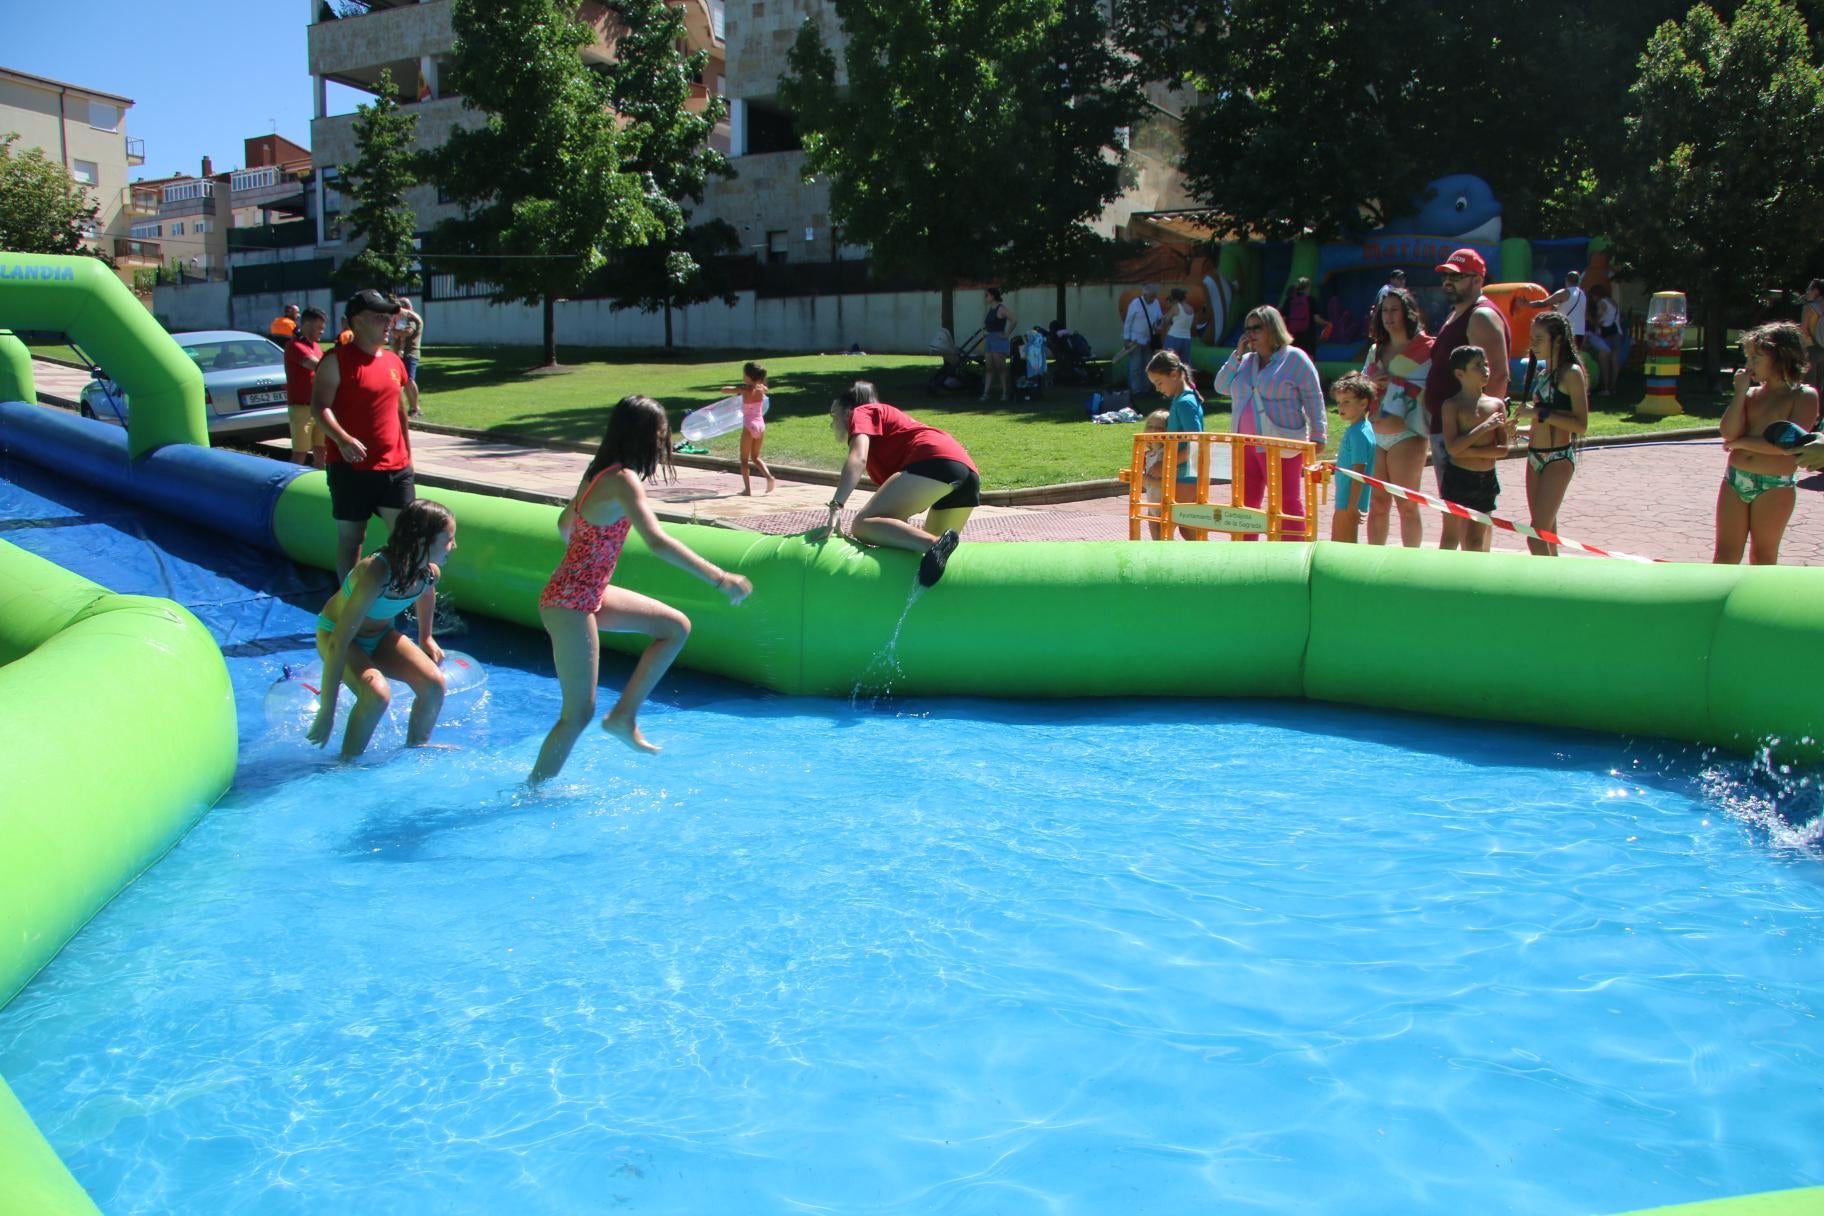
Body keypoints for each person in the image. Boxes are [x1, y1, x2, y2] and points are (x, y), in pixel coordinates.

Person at [527, 396, 752, 782]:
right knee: (578, 713)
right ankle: (533, 791)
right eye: (662, 433)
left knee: (674, 627)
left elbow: (565, 524)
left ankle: (624, 716)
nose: (665, 441)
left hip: (583, 592)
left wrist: (588, 561)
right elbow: (657, 541)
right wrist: (719, 577)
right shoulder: (623, 480)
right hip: (570, 601)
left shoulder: (597, 474)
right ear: (645, 435)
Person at [308, 498, 455, 760]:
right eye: (449, 539)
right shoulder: (376, 572)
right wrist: (327, 711)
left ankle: (416, 748)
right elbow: (338, 642)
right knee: (376, 694)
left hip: (379, 635)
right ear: (422, 542)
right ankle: (347, 763)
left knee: (433, 685)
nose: (454, 546)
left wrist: (426, 637)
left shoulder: (428, 572)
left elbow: (425, 594)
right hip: (337, 636)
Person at [820, 382, 980, 586]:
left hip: (937, 460)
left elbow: (857, 458)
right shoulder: (888, 442)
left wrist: (836, 506)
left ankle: (934, 543)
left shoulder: (862, 412)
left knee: (861, 524)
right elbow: (896, 521)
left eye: (834, 415)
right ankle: (936, 547)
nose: (832, 424)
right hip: (967, 474)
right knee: (926, 562)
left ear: (847, 411)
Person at [312, 289, 416, 583]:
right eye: (379, 318)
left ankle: (399, 598)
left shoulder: (394, 362)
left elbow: (399, 411)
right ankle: (349, 601)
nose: (387, 324)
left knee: (407, 537)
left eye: (388, 318)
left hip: (395, 467)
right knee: (352, 539)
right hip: (350, 469)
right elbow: (319, 407)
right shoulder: (336, 360)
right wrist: (342, 439)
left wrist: (408, 456)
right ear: (357, 321)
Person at [1212, 305, 1326, 541]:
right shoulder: (1245, 361)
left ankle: (1293, 554)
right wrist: (1236, 355)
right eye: (1247, 328)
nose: (1250, 333)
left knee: (1286, 501)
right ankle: (1247, 554)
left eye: (1257, 328)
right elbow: (1220, 386)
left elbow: (1313, 397)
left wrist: (1318, 435)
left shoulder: (1294, 358)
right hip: (1245, 445)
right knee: (1246, 502)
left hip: (1281, 443)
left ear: (1272, 328)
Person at [1423, 248, 1510, 550]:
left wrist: (1483, 431)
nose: (1448, 282)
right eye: (1446, 276)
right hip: (1449, 429)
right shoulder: (1458, 312)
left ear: (1477, 279)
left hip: (1465, 435)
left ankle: (1470, 583)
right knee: (1455, 518)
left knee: (1471, 522)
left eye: (1456, 277)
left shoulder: (1482, 316)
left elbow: (1497, 375)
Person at [1713, 321, 1819, 565]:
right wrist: (1739, 393)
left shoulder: (1803, 396)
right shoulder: (1751, 395)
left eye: (1756, 358)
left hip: (1775, 486)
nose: (1749, 366)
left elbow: (1787, 446)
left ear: (1781, 357)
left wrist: (1741, 443)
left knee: (1763, 556)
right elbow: (1728, 433)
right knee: (1725, 555)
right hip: (1735, 480)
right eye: (1748, 358)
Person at [1362, 287, 1434, 547]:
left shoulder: (1426, 348)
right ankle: (1376, 563)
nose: (1389, 316)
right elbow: (1359, 386)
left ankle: (1410, 565)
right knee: (1378, 504)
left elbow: (1434, 390)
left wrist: (1399, 383)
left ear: (1408, 313)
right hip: (1376, 431)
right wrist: (1369, 382)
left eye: (1395, 310)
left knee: (1406, 504)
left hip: (1409, 433)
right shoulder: (1376, 350)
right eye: (1384, 311)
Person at [1518, 311, 1589, 557]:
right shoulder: (1542, 374)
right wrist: (1515, 430)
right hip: (1534, 457)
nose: (1533, 344)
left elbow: (1580, 424)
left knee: (1535, 538)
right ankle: (1553, 581)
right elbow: (1540, 423)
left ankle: (1543, 588)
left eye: (1539, 339)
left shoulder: (1571, 373)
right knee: (1547, 535)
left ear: (1557, 340)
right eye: (1532, 338)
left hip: (1557, 458)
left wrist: (1539, 412)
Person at [1439, 345, 1510, 553]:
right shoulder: (1452, 405)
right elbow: (1453, 448)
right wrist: (1484, 428)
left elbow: (1503, 449)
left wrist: (1468, 451)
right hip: (1459, 478)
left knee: (1475, 541)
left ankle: (1475, 580)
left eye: (1486, 364)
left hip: (1485, 479)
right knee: (1450, 537)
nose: (1485, 370)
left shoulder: (1496, 405)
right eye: (1478, 366)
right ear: (1460, 374)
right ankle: (1442, 580)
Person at [1146, 349, 1206, 540]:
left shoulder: (1184, 403)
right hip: (1185, 472)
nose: (1158, 388)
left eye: (1159, 383)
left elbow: (1195, 442)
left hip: (1186, 475)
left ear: (1173, 374)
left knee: (1169, 522)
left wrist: (1165, 465)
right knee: (1185, 526)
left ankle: (1175, 564)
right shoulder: (1181, 400)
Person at [1328, 371, 1378, 544]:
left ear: (1363, 403)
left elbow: (1359, 472)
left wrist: (1352, 505)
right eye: (1339, 402)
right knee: (1345, 542)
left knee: (1340, 543)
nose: (1341, 407)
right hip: (1348, 499)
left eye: (1347, 402)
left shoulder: (1358, 434)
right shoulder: (1361, 428)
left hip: (1348, 501)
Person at [283, 306, 328, 467]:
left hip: (319, 407)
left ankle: (321, 486)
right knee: (300, 455)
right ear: (307, 324)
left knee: (322, 453)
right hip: (301, 408)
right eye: (319, 328)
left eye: (323, 328)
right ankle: (292, 487)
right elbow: (315, 365)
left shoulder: (316, 346)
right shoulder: (294, 346)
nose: (322, 332)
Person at [730, 360, 775, 496]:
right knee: (755, 457)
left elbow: (724, 389)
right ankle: (769, 477)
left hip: (749, 426)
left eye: (744, 374)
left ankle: (747, 489)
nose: (743, 377)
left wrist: (737, 388)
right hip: (760, 425)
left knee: (744, 460)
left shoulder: (745, 390)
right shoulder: (762, 389)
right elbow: (761, 387)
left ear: (749, 377)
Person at [1121, 283, 1163, 399]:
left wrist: (1159, 325)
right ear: (1144, 294)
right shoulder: (1135, 304)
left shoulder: (1156, 303)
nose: (1152, 299)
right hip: (1135, 339)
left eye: (1154, 296)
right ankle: (1136, 390)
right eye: (1150, 296)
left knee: (1148, 365)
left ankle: (1146, 388)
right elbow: (1128, 322)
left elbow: (1160, 318)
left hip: (1149, 339)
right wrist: (1126, 338)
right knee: (1135, 365)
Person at [1537, 270, 1589, 350]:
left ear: (1566, 280)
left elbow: (1546, 304)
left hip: (1567, 331)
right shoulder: (1583, 295)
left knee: (1563, 356)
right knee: (1576, 356)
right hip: (1580, 332)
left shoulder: (1565, 293)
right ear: (1578, 281)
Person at [980, 288, 1016, 402]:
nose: (986, 297)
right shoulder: (991, 309)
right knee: (989, 367)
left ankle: (1005, 393)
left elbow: (1014, 320)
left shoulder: (1001, 308)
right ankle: (986, 394)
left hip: (999, 341)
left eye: (987, 295)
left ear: (993, 296)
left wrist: (1007, 334)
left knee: (1001, 367)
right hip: (989, 340)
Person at [1586, 283, 1621, 397]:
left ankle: (1605, 388)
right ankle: (1614, 387)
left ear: (1596, 295)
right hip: (1616, 333)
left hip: (1606, 335)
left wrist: (1590, 319)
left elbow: (1598, 320)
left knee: (1604, 359)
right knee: (1614, 360)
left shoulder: (1601, 303)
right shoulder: (1613, 302)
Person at [390, 296, 425, 407]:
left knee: (409, 380)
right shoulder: (402, 319)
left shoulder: (411, 318)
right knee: (401, 382)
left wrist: (392, 330)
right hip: (400, 353)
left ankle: (415, 407)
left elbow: (407, 332)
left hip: (410, 353)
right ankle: (405, 407)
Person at [1284, 276, 1320, 356]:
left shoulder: (1289, 300)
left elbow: (1283, 317)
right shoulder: (1311, 300)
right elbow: (1317, 319)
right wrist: (1327, 323)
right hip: (1308, 336)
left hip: (1292, 335)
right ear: (1307, 287)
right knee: (1308, 356)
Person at [1802, 280, 1824, 396]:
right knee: (1821, 385)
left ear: (1816, 291)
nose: (1807, 292)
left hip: (1812, 348)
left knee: (1810, 384)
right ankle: (1821, 412)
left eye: (1809, 289)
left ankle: (1810, 412)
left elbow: (1804, 331)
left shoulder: (1809, 307)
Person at [1162, 287, 1195, 361]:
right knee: (1185, 363)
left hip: (1173, 337)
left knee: (1168, 361)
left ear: (1174, 298)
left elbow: (1166, 320)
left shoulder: (1176, 307)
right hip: (1187, 338)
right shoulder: (1191, 308)